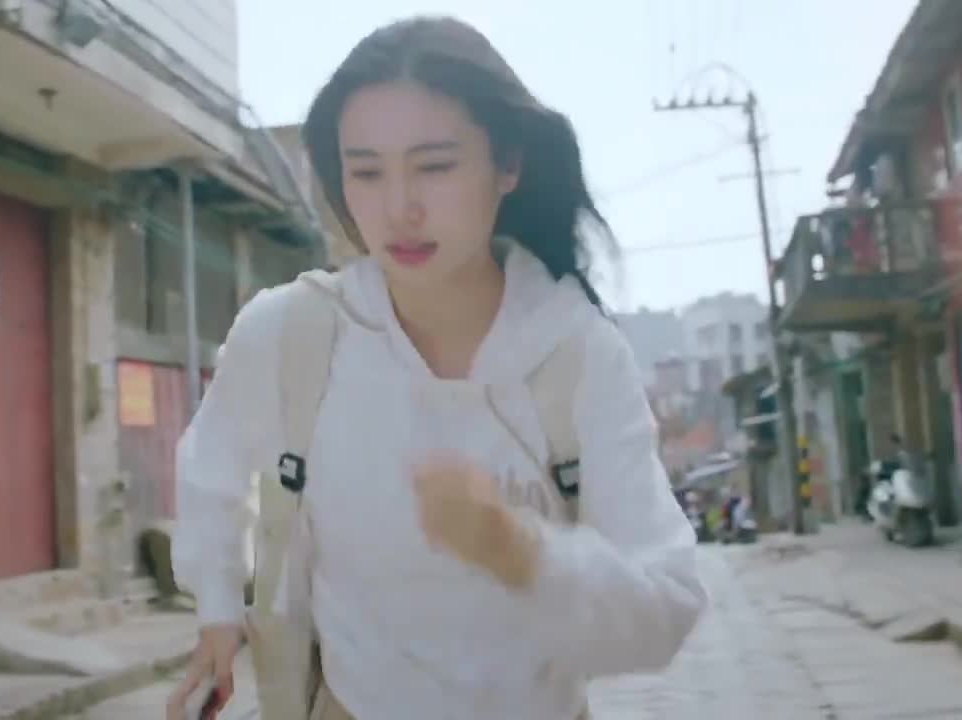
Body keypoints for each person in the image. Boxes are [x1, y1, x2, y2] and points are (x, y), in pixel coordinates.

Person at [166, 15, 707, 720]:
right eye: (366, 172)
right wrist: (217, 611)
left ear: (507, 165)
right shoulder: (293, 333)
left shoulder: (576, 354)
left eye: (434, 166)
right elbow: (210, 467)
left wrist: (518, 550)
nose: (399, 208)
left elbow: (667, 603)